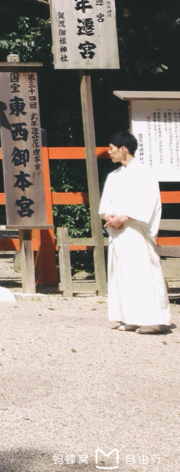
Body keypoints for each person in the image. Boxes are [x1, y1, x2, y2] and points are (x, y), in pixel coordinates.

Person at [100, 131, 172, 333]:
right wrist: (109, 216)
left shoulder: (145, 173)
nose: (109, 152)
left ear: (123, 149)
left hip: (136, 231)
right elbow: (106, 203)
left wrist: (125, 217)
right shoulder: (114, 176)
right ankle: (129, 317)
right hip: (119, 232)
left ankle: (151, 320)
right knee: (122, 274)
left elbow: (149, 202)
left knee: (142, 274)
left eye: (112, 148)